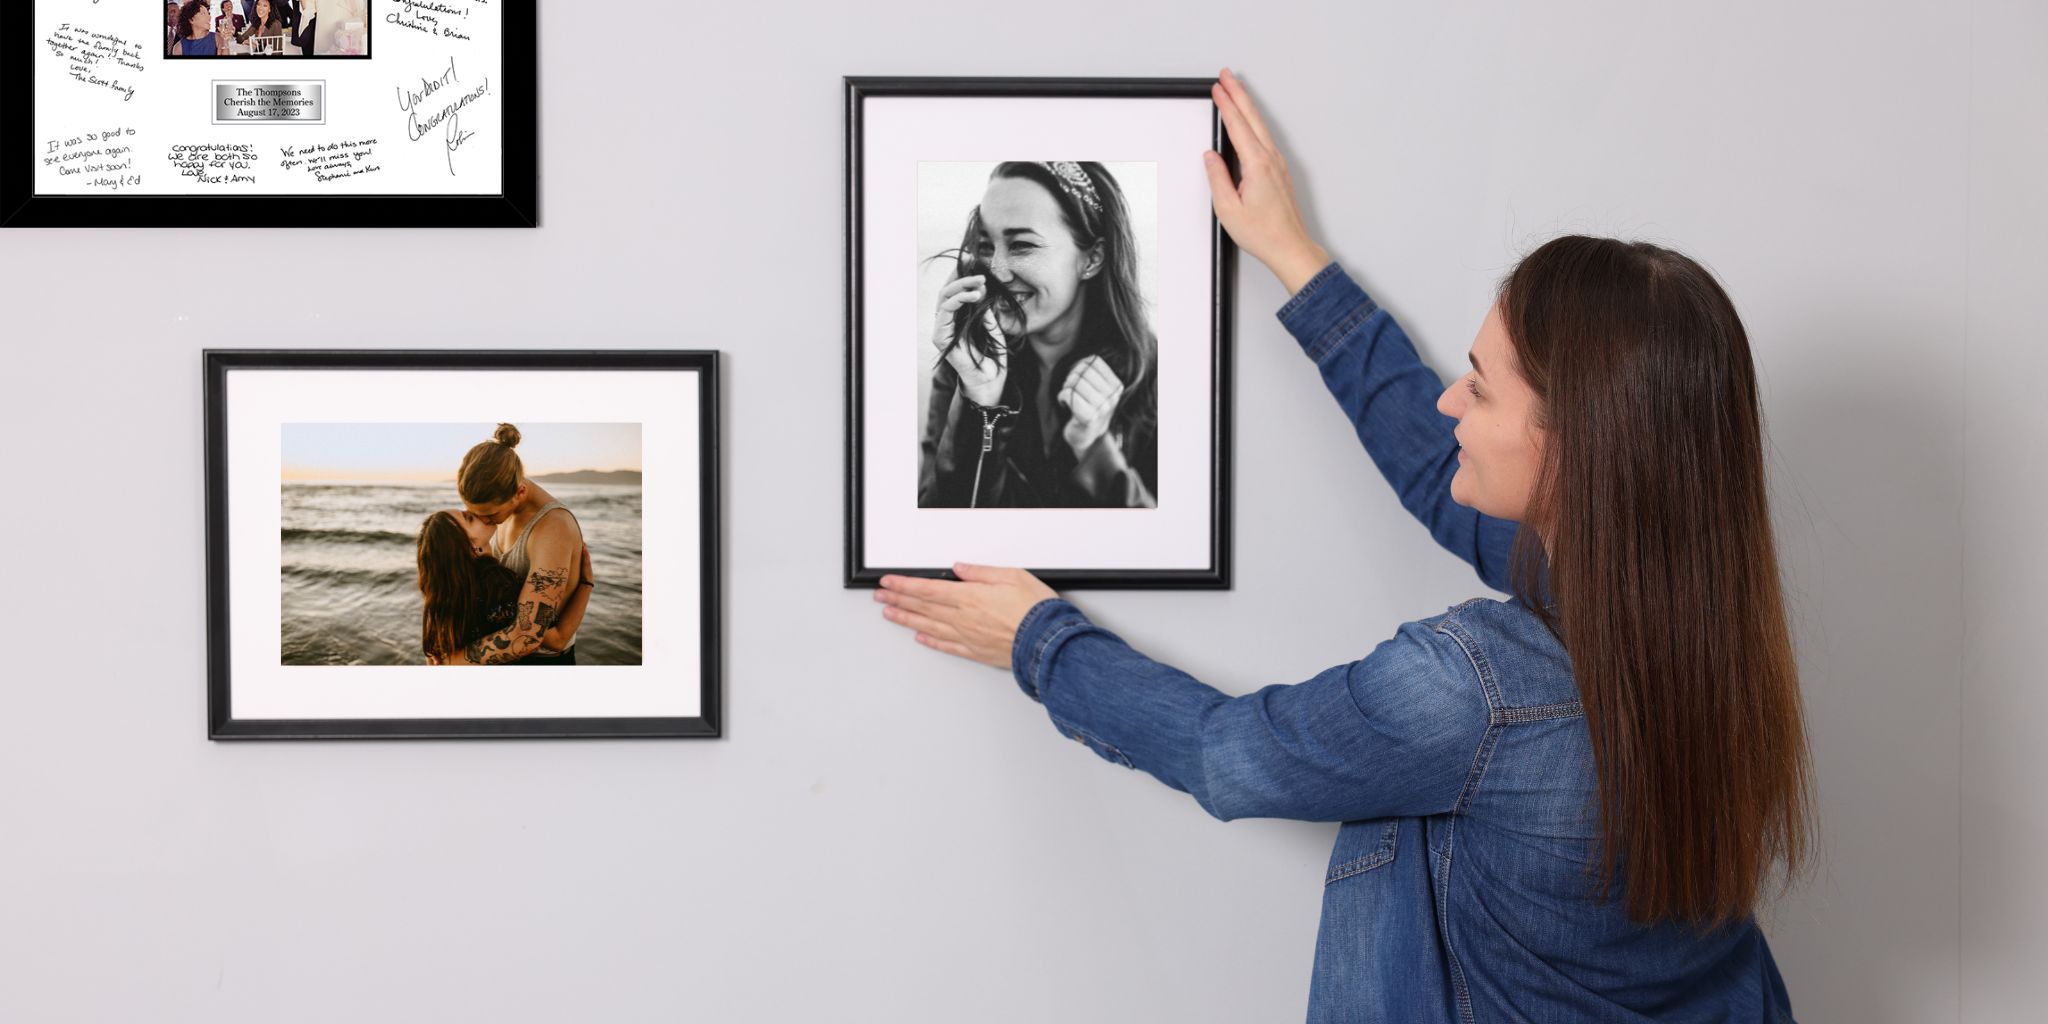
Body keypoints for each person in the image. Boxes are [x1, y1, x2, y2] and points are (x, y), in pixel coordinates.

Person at [874, 70, 1813, 1022]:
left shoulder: (1474, 693)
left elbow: (1230, 753)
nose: (1452, 401)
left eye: (1480, 389)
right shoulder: (1704, 632)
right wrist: (1293, 257)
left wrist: (1039, 639)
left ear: (1574, 448)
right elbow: (1438, 479)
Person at [918, 161, 1158, 508]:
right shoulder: (966, 364)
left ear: (1091, 259)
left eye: (1021, 245)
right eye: (986, 245)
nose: (996, 271)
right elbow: (939, 527)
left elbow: (1166, 549)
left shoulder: (1156, 376)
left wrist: (1093, 449)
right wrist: (980, 403)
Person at [432, 423, 589, 666]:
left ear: (519, 492)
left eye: (490, 515)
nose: (484, 522)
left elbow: (528, 635)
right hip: (503, 651)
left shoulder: (552, 528)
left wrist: (454, 661)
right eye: (472, 514)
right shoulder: (501, 512)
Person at [416, 510, 594, 665]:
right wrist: (586, 584)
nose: (476, 511)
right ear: (472, 547)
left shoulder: (449, 599)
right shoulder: (500, 587)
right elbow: (558, 639)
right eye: (469, 518)